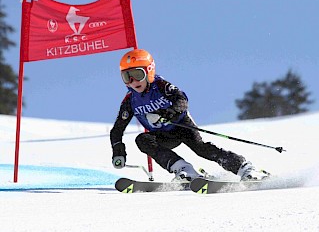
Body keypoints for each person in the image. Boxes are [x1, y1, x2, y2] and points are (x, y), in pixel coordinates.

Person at [110, 49, 270, 181]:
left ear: (149, 71)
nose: (132, 81)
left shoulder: (160, 86)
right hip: (163, 136)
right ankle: (184, 170)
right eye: (126, 76)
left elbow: (182, 99)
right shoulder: (130, 101)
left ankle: (245, 168)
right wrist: (118, 151)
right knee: (143, 140)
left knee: (201, 149)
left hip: (182, 126)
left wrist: (168, 114)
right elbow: (117, 130)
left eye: (137, 75)